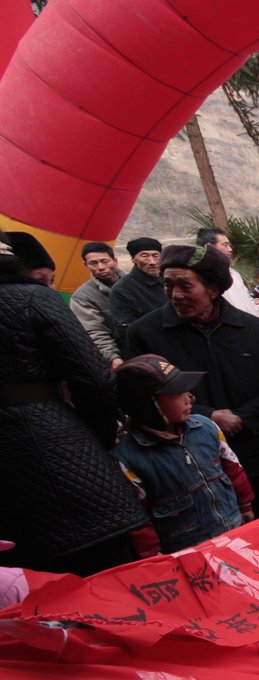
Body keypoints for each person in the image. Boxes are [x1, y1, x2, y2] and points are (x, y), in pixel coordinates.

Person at [0, 231, 147, 575]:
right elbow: (94, 378)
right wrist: (96, 438)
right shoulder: (32, 298)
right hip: (53, 455)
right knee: (105, 580)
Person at [126, 243, 259, 516]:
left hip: (258, 454)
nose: (175, 295)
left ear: (213, 289)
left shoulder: (251, 329)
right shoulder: (146, 334)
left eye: (185, 286)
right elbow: (138, 397)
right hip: (189, 465)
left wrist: (243, 417)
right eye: (168, 285)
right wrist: (208, 416)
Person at [112, 354, 254, 556]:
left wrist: (245, 504)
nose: (190, 398)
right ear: (148, 405)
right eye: (177, 394)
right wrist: (154, 558)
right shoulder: (127, 459)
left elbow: (232, 467)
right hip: (189, 552)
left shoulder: (206, 427)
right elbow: (138, 520)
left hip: (235, 530)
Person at [70, 242, 124, 369]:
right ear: (86, 265)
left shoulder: (135, 284)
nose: (100, 267)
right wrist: (113, 357)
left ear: (115, 261)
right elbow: (95, 331)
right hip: (121, 355)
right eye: (93, 263)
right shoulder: (82, 297)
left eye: (105, 261)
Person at [109, 236, 165, 351]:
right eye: (145, 256)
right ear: (133, 259)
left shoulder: (169, 279)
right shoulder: (122, 289)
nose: (152, 262)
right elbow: (126, 329)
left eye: (156, 255)